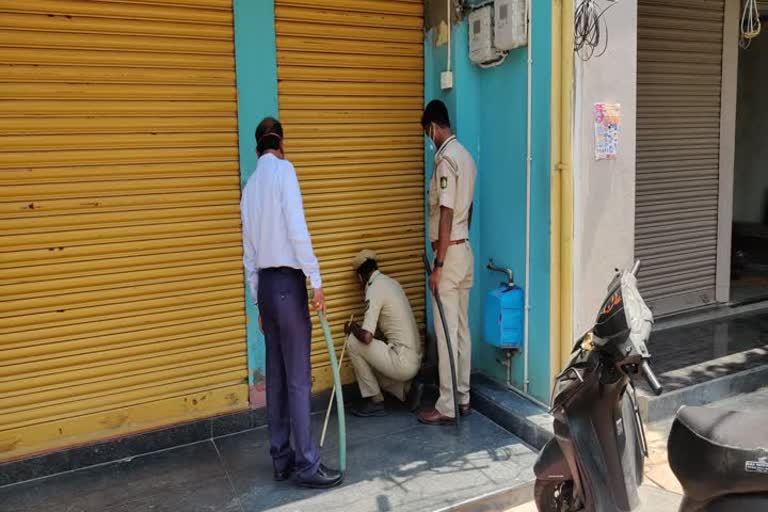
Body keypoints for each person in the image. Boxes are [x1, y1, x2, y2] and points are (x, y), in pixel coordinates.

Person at [240, 117, 342, 489]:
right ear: (281, 144)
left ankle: (281, 460)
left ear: (257, 149)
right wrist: (316, 280)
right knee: (298, 379)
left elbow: (249, 255)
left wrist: (257, 303)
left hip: (267, 288)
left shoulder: (249, 188)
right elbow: (298, 230)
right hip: (288, 283)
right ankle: (307, 465)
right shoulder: (285, 172)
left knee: (278, 379)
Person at [418, 100, 477, 426]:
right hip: (464, 249)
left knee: (445, 331)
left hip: (449, 255)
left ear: (433, 127)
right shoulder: (466, 158)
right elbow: (469, 211)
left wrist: (439, 263)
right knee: (462, 330)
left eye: (429, 132)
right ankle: (464, 396)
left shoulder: (445, 161)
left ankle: (447, 405)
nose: (430, 139)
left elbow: (447, 211)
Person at [344, 250, 424, 417]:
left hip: (402, 361)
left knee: (353, 342)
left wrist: (352, 327)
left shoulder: (373, 289)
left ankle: (375, 400)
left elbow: (366, 337)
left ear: (360, 277)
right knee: (372, 359)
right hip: (413, 358)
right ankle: (407, 389)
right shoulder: (391, 283)